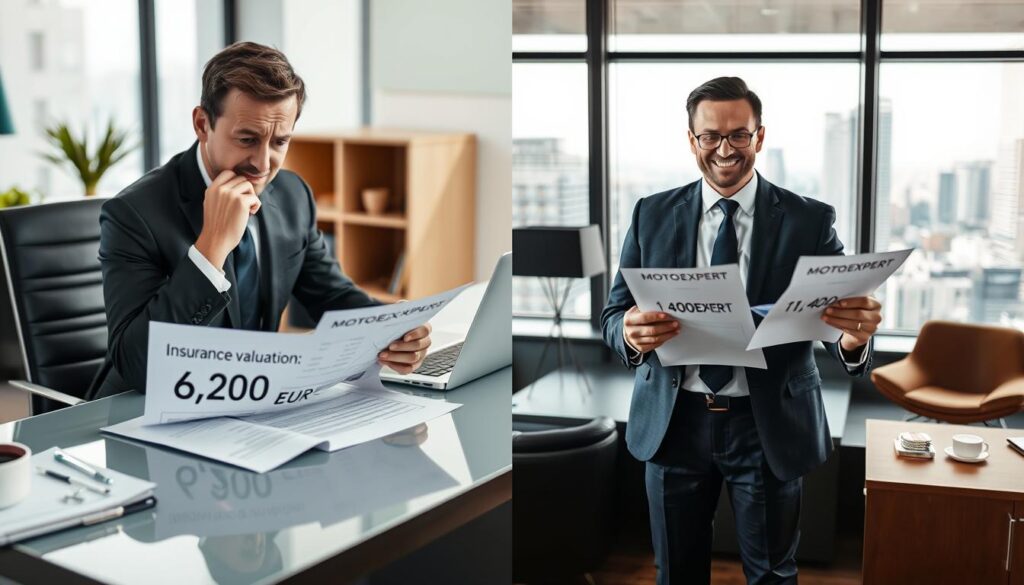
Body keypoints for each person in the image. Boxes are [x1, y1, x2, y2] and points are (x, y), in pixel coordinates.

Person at [601, 76, 881, 584]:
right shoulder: (650, 214)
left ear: (760, 136)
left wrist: (854, 338)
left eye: (739, 135)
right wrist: (628, 332)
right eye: (711, 136)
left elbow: (839, 309)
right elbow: (612, 314)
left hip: (766, 422)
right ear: (692, 140)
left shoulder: (808, 219)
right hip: (673, 422)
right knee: (675, 575)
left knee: (773, 574)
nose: (725, 150)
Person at [89, 42, 430, 399]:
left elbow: (331, 296)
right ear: (202, 124)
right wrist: (211, 249)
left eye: (279, 142)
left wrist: (391, 329)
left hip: (252, 404)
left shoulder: (292, 195)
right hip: (142, 410)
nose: (263, 164)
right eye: (247, 139)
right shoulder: (134, 214)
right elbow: (137, 364)